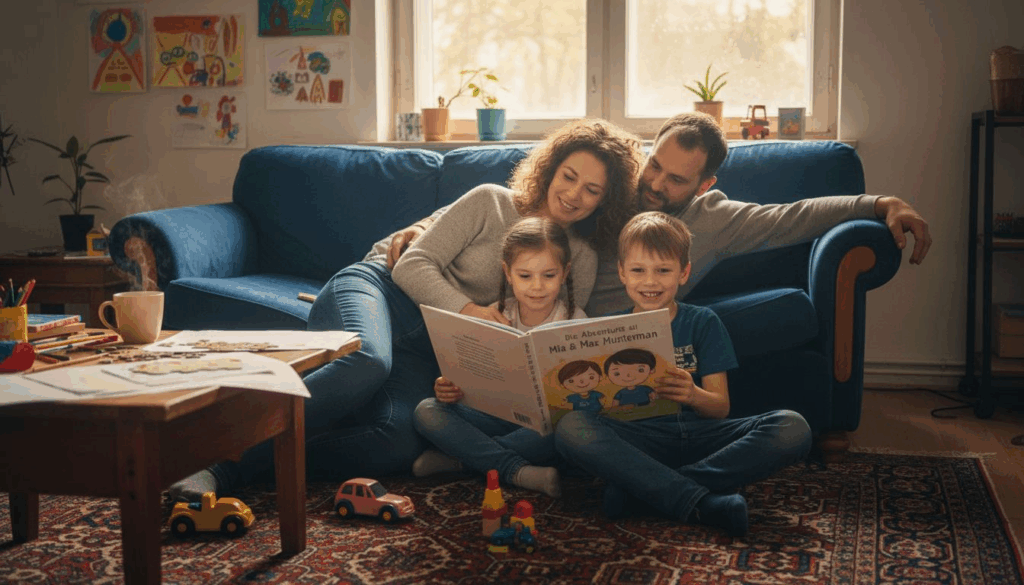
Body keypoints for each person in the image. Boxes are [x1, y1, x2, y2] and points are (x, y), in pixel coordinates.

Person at [167, 118, 644, 502]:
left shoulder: (582, 255)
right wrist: (470, 310)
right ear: (551, 168)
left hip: (430, 350)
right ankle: (218, 460)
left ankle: (259, 464)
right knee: (369, 360)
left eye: (593, 190)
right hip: (378, 290)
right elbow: (411, 265)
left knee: (394, 442)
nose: (574, 194)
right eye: (569, 177)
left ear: (608, 199)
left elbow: (557, 332)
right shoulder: (490, 202)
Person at [382, 112, 932, 316]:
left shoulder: (717, 219)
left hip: (584, 332)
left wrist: (881, 203)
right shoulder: (613, 190)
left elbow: (794, 215)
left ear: (705, 183)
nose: (657, 185)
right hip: (531, 313)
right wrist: (424, 227)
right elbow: (515, 210)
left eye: (676, 180)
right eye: (655, 167)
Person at [555, 211, 813, 537]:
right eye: (638, 270)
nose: (650, 281)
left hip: (703, 438)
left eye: (663, 270)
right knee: (570, 427)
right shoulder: (608, 329)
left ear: (683, 272)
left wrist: (693, 394)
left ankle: (647, 490)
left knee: (792, 427)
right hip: (639, 442)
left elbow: (720, 407)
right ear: (622, 272)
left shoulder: (702, 322)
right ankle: (698, 499)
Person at [411, 216, 587, 498]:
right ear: (508, 273)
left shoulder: (575, 321)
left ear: (565, 273)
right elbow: (469, 373)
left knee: (565, 431)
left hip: (541, 427)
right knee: (427, 410)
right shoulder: (496, 314)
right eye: (525, 275)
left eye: (549, 275)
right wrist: (449, 386)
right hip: (493, 414)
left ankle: (463, 460)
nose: (537, 286)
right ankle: (515, 470)